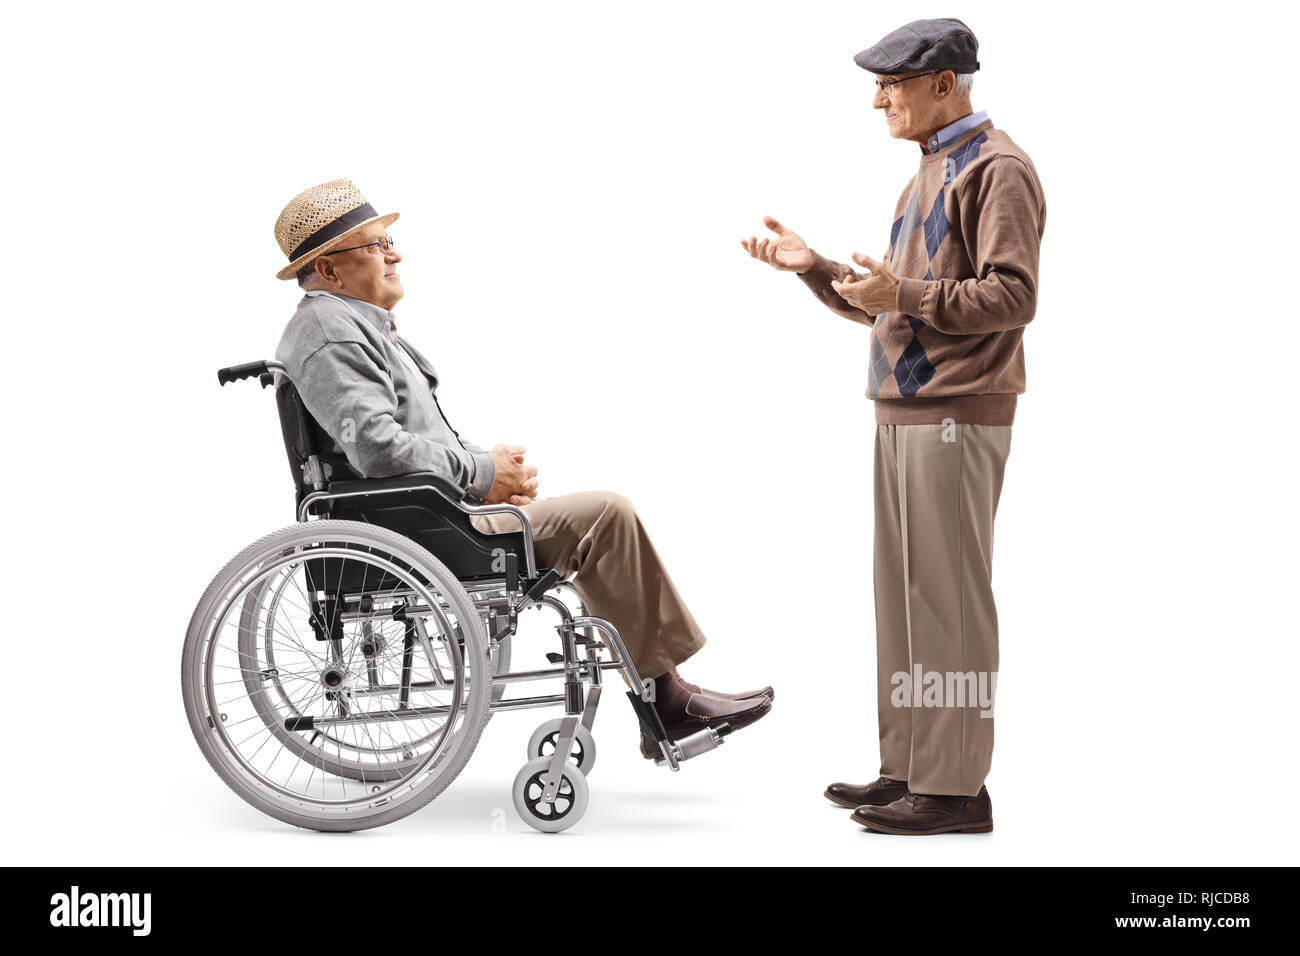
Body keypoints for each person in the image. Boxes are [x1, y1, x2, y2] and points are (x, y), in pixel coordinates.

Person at [273, 178, 773, 757]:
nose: (396, 254)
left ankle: (664, 696)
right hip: (410, 528)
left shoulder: (347, 324)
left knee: (588, 521)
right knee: (607, 516)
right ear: (330, 271)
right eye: (378, 244)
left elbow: (396, 440)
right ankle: (667, 700)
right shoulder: (331, 331)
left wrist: (486, 473)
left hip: (425, 512)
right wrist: (482, 474)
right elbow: (379, 450)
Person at [742, 18, 1045, 834]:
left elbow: (1012, 297)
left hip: (956, 414)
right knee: (906, 601)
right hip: (904, 411)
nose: (878, 99)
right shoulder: (925, 174)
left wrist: (900, 295)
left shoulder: (998, 169)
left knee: (948, 602)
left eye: (891, 84)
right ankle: (911, 767)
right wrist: (815, 271)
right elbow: (894, 307)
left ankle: (955, 790)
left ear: (944, 84)